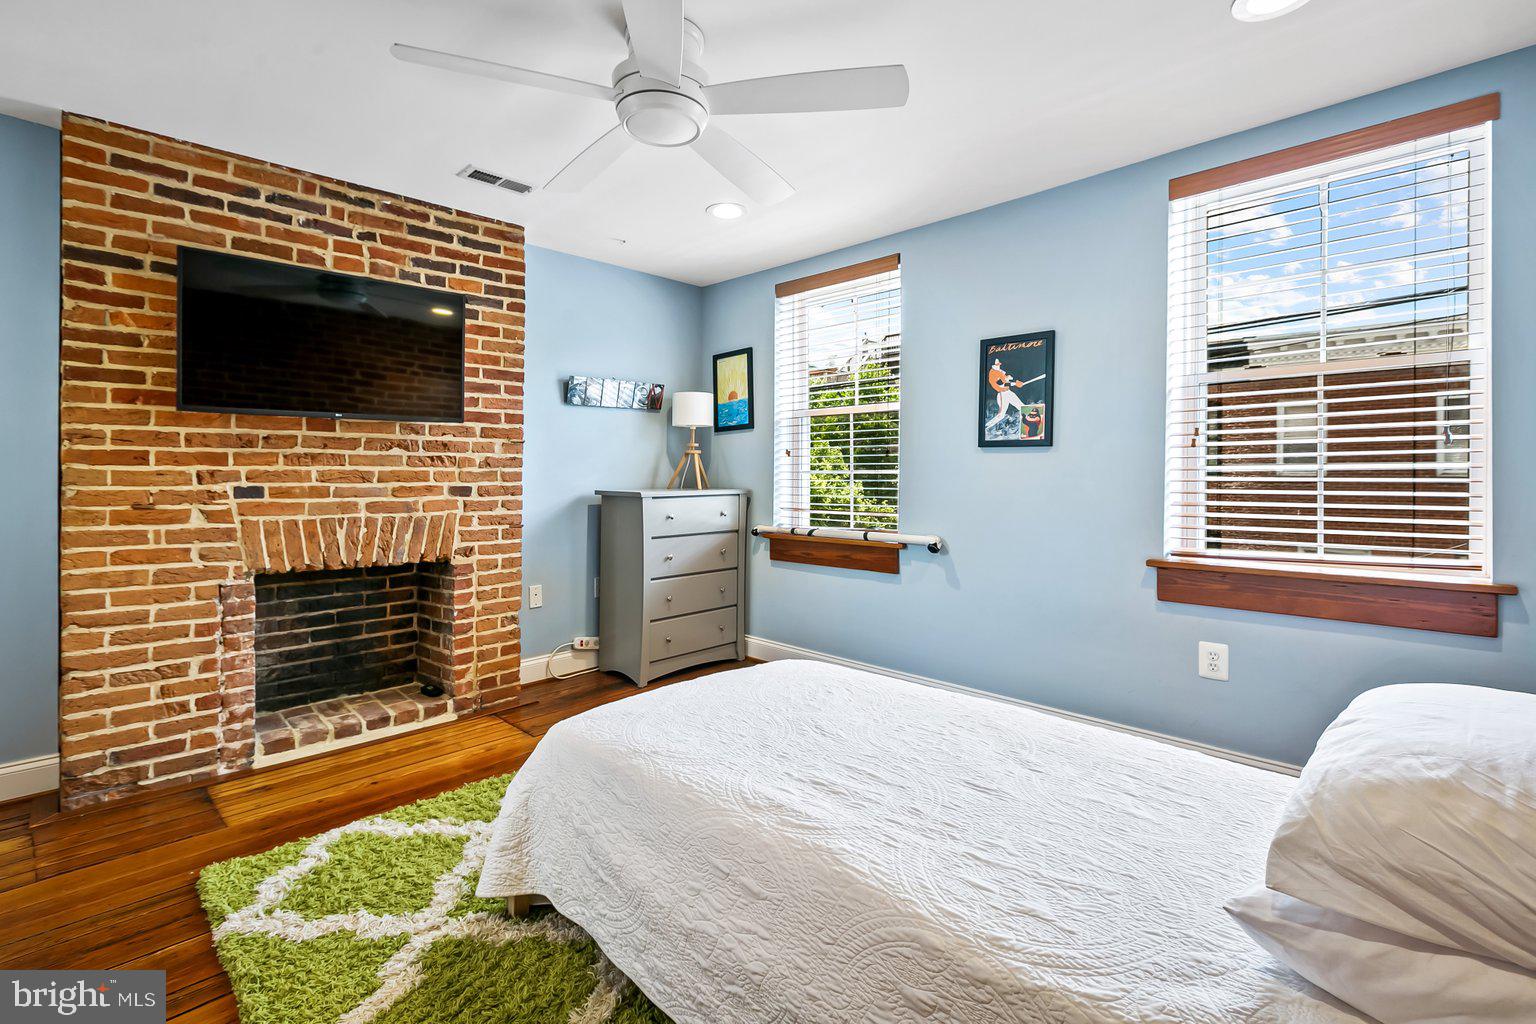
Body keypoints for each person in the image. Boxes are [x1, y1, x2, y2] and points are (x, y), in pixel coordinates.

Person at [985, 359, 1029, 431]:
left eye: (999, 364)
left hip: (1008, 392)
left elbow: (1006, 381)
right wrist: (1015, 383)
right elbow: (1003, 383)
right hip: (1002, 395)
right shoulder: (993, 373)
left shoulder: (999, 372)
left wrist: (1013, 381)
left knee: (1021, 406)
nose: (999, 365)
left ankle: (1030, 422)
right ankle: (986, 427)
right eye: (997, 364)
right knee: (1001, 415)